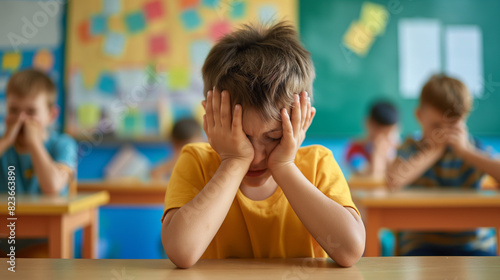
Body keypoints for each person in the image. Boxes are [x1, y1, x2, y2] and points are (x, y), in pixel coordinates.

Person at [160, 22, 365, 268]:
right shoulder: (196, 160)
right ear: (211, 118)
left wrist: (285, 165)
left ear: (305, 120)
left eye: (274, 137)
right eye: (242, 137)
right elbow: (181, 252)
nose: (255, 156)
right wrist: (233, 162)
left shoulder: (318, 164)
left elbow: (350, 251)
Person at [387, 74, 500, 256]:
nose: (444, 134)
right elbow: (393, 180)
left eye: (452, 127)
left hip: (473, 242)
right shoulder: (412, 147)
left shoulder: (473, 148)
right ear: (419, 116)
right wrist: (434, 150)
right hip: (420, 241)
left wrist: (466, 152)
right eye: (436, 127)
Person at [0, 68, 77, 256]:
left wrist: (34, 143)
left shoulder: (62, 144)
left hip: (47, 244)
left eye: (31, 111)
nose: (21, 119)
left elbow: (52, 187)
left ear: (51, 115)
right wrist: (6, 141)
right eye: (14, 110)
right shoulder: (4, 145)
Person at [345, 101, 399, 179]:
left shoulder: (398, 148)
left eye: (390, 132)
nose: (386, 138)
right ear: (368, 123)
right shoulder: (355, 150)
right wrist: (377, 153)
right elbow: (373, 178)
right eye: (381, 133)